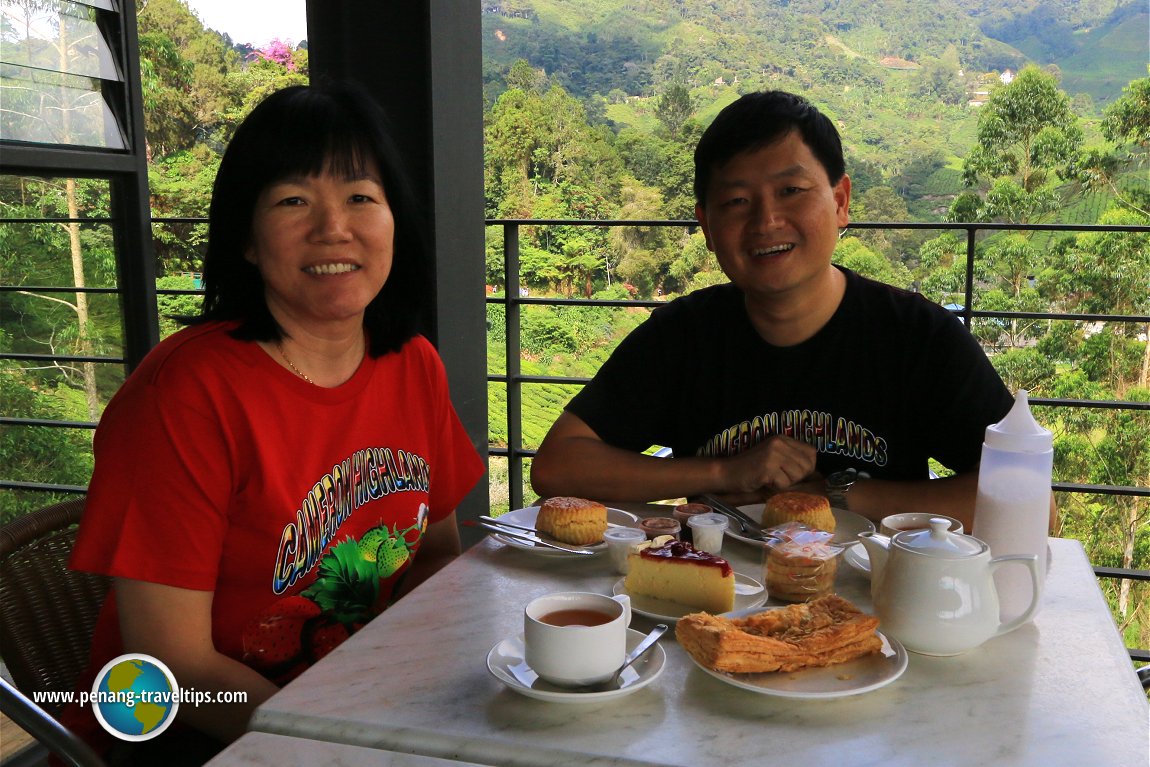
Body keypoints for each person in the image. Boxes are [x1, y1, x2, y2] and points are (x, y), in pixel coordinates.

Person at [63, 82, 485, 764]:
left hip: (354, 703)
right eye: (293, 201)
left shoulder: (413, 365)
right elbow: (172, 663)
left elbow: (435, 555)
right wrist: (344, 744)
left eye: (360, 197)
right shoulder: (185, 396)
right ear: (249, 240)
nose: (333, 228)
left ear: (393, 222)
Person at [530, 90, 1016, 530]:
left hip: (876, 602)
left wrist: (834, 496)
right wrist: (725, 470)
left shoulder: (916, 335)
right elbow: (556, 467)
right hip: (718, 598)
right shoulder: (683, 335)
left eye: (791, 191)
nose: (766, 221)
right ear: (706, 224)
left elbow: (1025, 502)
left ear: (841, 200)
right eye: (737, 201)